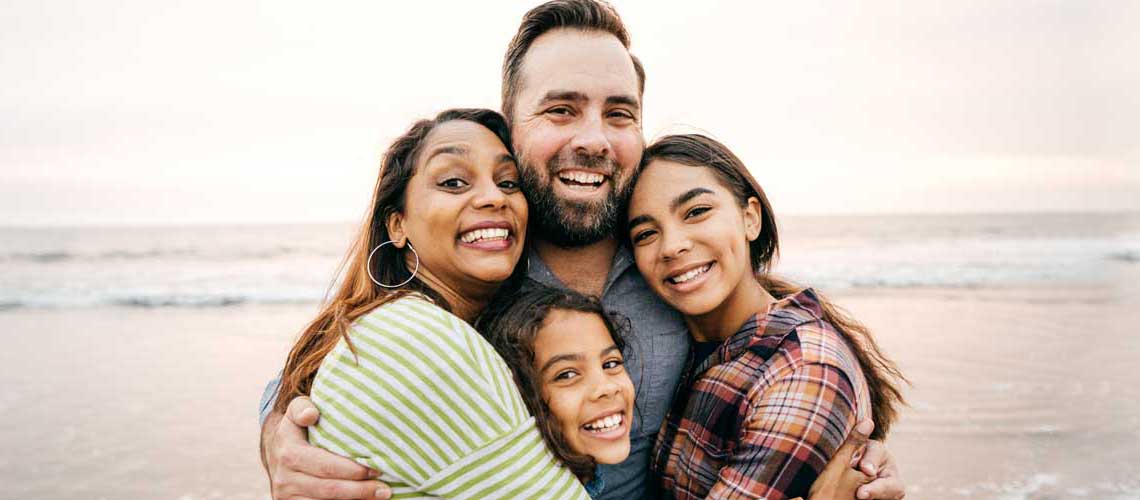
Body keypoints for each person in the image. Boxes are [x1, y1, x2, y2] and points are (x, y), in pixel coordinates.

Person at [260, 2, 907, 499]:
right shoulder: (480, 265)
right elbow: (340, 355)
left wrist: (857, 446)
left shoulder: (668, 260)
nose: (594, 138)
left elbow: (768, 344)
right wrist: (277, 440)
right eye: (562, 110)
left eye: (619, 114)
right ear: (509, 127)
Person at [273, 108, 591, 499]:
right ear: (397, 225)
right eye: (454, 181)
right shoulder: (420, 341)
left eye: (509, 183)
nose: (494, 197)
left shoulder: (397, 327)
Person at [626, 134, 908, 499]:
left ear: (750, 218)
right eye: (646, 233)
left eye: (696, 212)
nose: (672, 245)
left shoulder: (804, 369)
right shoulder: (673, 340)